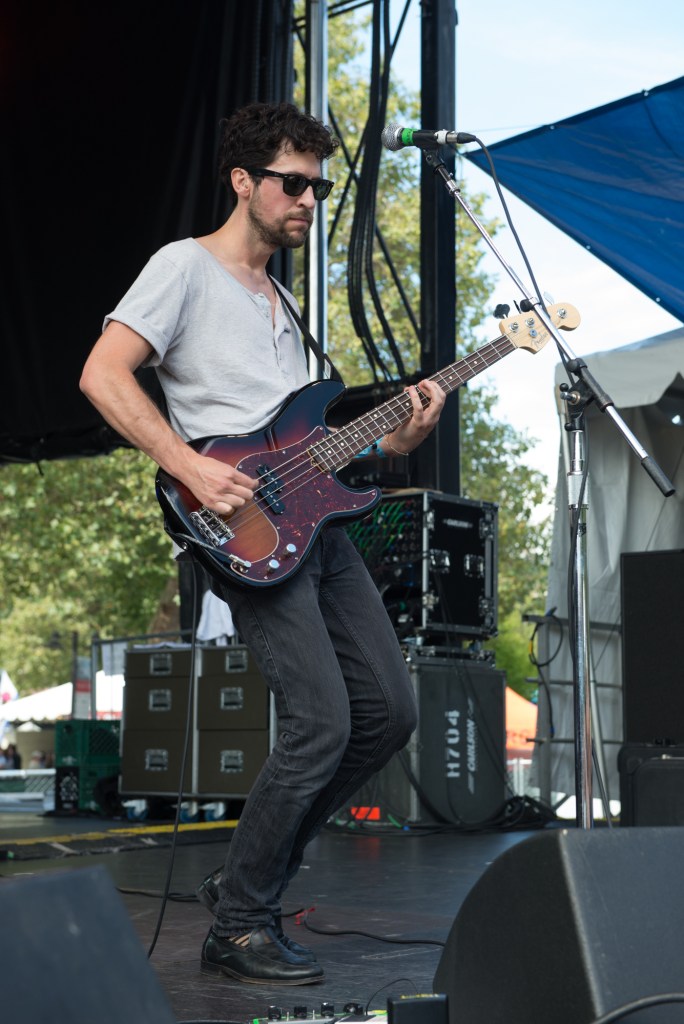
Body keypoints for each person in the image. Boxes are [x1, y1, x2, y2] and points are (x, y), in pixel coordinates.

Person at [80, 101, 445, 986]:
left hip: (316, 528)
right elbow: (101, 372)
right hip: (241, 525)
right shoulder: (185, 268)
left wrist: (388, 446)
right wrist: (187, 465)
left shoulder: (284, 301)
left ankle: (250, 871)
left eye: (319, 187)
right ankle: (239, 924)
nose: (308, 199)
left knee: (390, 711)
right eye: (293, 182)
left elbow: (306, 439)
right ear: (243, 182)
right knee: (319, 722)